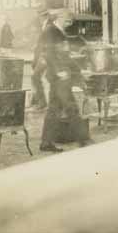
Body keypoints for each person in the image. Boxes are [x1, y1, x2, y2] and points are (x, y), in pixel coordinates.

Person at [39, 9, 93, 153]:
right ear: (58, 17)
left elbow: (66, 57)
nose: (70, 20)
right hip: (59, 77)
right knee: (71, 106)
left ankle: (46, 142)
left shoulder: (60, 32)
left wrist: (80, 70)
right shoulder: (50, 31)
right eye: (67, 18)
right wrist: (58, 71)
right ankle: (83, 139)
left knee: (54, 109)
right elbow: (48, 54)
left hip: (62, 76)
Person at [30, 9, 53, 110]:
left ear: (45, 16)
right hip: (41, 55)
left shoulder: (49, 26)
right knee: (36, 76)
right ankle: (37, 100)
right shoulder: (43, 25)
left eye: (41, 16)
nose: (39, 18)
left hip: (46, 56)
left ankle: (42, 102)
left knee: (35, 76)